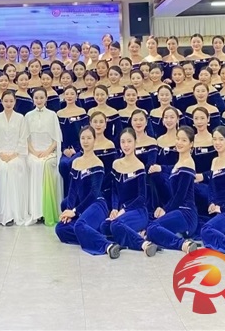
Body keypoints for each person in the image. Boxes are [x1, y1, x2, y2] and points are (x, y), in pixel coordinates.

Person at [55, 126, 120, 258]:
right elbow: (72, 190)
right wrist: (68, 210)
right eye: (83, 138)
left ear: (94, 140)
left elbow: (94, 193)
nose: (85, 141)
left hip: (97, 205)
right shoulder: (75, 163)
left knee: (80, 225)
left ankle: (107, 246)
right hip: (81, 207)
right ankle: (97, 235)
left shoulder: (98, 163)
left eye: (89, 138)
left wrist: (75, 211)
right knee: (60, 229)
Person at [101, 128, 157, 256]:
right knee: (104, 226)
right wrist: (114, 208)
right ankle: (137, 235)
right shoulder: (116, 164)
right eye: (123, 142)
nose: (126, 145)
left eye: (129, 141)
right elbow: (114, 190)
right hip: (121, 212)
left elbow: (142, 198)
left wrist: (124, 210)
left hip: (137, 211)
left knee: (115, 225)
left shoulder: (140, 166)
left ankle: (144, 244)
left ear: (135, 143)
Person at [146, 126, 199, 253]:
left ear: (191, 144)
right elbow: (171, 169)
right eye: (178, 139)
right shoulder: (179, 163)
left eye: (184, 140)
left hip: (186, 213)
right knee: (150, 224)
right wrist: (161, 168)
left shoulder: (188, 163)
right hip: (178, 211)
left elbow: (180, 195)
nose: (179, 143)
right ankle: (176, 235)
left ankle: (183, 244)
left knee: (152, 228)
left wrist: (165, 210)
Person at [197, 127, 225, 257]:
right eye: (215, 139)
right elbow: (211, 186)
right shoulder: (215, 161)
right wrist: (211, 202)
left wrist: (222, 208)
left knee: (206, 229)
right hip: (217, 210)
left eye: (221, 139)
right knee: (200, 227)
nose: (217, 143)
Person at [0, 91, 30, 226]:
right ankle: (4, 214)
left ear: (15, 102)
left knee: (12, 168)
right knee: (3, 169)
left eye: (11, 101)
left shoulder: (20, 118)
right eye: (6, 101)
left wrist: (13, 154)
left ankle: (14, 213)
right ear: (1, 102)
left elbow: (23, 138)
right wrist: (1, 154)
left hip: (17, 155)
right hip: (0, 155)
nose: (8, 103)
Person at [25, 88, 63, 225]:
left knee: (45, 165)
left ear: (46, 99)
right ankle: (35, 212)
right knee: (34, 164)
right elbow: (26, 139)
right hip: (33, 152)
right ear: (33, 99)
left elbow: (57, 139)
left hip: (50, 152)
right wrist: (34, 152)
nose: (39, 100)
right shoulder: (28, 116)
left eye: (42, 97)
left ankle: (47, 211)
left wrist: (47, 151)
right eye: (36, 98)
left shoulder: (52, 115)